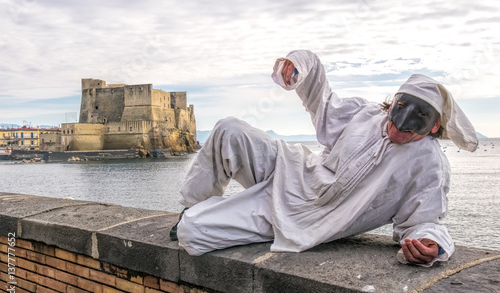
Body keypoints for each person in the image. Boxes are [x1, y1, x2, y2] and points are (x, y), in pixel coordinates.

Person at [171, 50, 478, 267]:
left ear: (435, 126)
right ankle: (192, 205)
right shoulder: (367, 113)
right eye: (401, 108)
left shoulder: (429, 165)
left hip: (311, 215)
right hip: (293, 169)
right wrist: (300, 65)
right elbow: (323, 101)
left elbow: (424, 219)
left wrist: (429, 245)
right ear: (393, 102)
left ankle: (205, 216)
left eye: (419, 118)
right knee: (228, 129)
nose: (400, 124)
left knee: (193, 232)